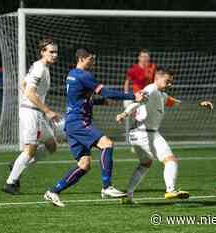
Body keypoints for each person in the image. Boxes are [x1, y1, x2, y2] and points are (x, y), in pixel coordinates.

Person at [44, 48, 145, 207]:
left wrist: (97, 102)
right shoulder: (84, 75)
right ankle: (106, 187)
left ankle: (53, 191)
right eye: (91, 59)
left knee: (84, 164)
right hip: (79, 122)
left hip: (71, 123)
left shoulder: (72, 74)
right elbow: (106, 92)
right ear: (82, 58)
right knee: (107, 144)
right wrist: (134, 96)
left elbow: (78, 98)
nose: (93, 61)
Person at [116, 66, 213, 204]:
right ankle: (170, 190)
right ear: (158, 77)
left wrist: (199, 104)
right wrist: (124, 114)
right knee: (170, 160)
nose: (170, 84)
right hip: (146, 133)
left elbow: (178, 103)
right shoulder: (151, 90)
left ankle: (128, 196)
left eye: (171, 82)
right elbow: (137, 102)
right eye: (167, 81)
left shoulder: (162, 94)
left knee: (145, 164)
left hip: (136, 134)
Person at [3, 38, 60, 195]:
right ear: (42, 52)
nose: (54, 55)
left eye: (56, 52)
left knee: (51, 145)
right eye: (51, 51)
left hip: (35, 111)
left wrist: (38, 106)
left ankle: (17, 164)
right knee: (30, 149)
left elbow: (23, 85)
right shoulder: (39, 68)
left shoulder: (40, 67)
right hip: (31, 112)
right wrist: (46, 110)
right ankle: (10, 183)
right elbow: (29, 91)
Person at [123, 49, 156, 143]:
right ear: (139, 58)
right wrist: (126, 96)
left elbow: (154, 81)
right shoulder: (133, 69)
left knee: (148, 117)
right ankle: (134, 138)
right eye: (143, 56)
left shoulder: (152, 68)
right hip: (137, 96)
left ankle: (142, 138)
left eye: (147, 56)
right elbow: (127, 82)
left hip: (148, 96)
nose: (145, 58)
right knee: (138, 117)